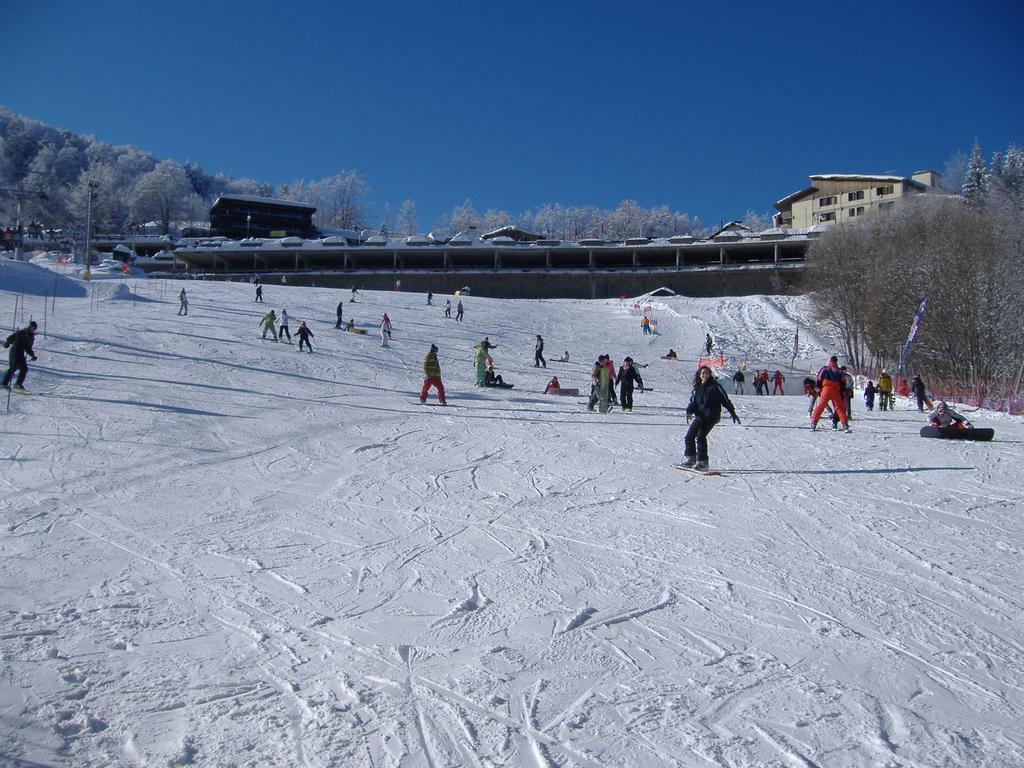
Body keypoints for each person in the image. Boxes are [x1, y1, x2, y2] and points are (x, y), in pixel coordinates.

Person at [682, 366, 740, 471]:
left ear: (710, 375)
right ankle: (690, 459)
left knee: (700, 436)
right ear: (699, 375)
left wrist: (733, 413)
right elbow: (693, 403)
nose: (705, 375)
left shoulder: (715, 387)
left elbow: (725, 400)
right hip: (700, 416)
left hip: (711, 416)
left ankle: (703, 463)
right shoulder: (697, 389)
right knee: (689, 436)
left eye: (707, 373)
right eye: (703, 373)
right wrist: (689, 411)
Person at [811, 356, 850, 431]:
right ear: (836, 362)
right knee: (839, 408)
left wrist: (818, 386)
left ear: (830, 361)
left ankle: (814, 422)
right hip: (836, 390)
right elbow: (843, 382)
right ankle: (845, 424)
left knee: (820, 407)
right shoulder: (839, 371)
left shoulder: (824, 369)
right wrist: (842, 391)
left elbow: (819, 378)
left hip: (826, 389)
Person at [2, 321, 38, 391]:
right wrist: (8, 342)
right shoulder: (22, 332)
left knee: (24, 369)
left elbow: (28, 348)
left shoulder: (31, 337)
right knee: (13, 367)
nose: (33, 330)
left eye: (35, 329)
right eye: (33, 328)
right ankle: (4, 384)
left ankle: (18, 384)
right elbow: (12, 337)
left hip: (21, 353)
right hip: (14, 351)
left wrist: (32, 355)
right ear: (29, 327)